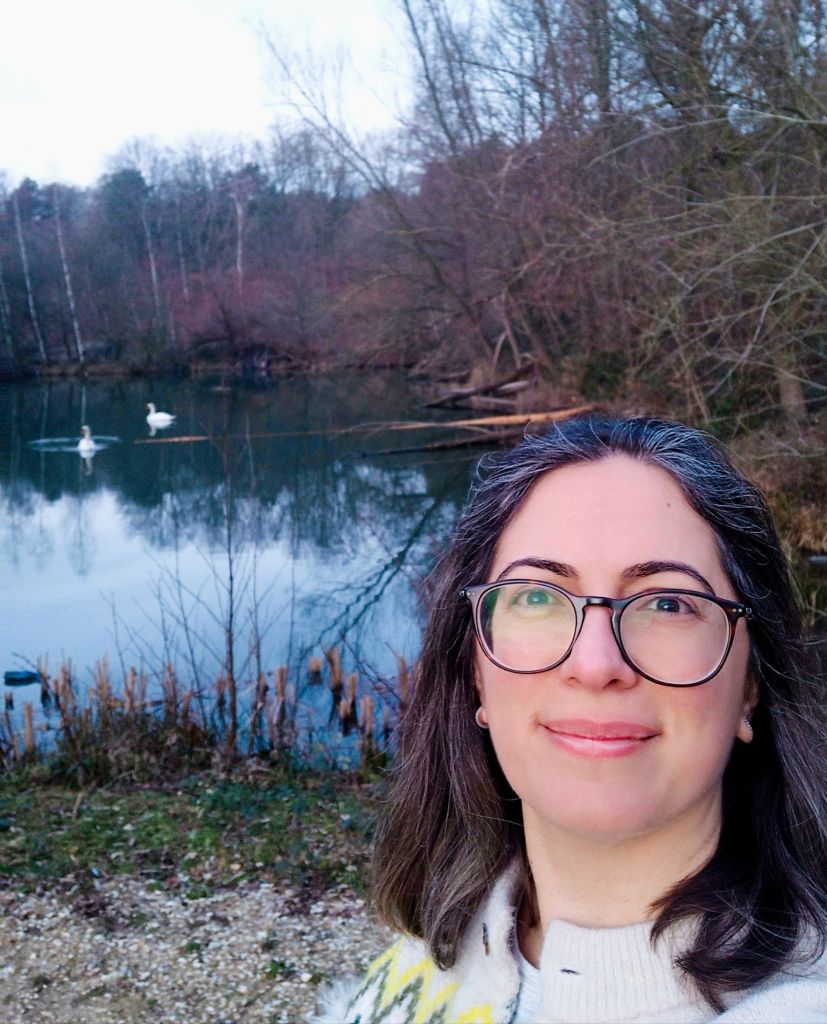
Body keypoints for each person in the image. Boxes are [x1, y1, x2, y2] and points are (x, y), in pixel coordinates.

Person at [314, 412, 827, 1023]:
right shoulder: (419, 968)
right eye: (537, 596)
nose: (595, 663)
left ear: (750, 684)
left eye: (668, 602)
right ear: (476, 668)